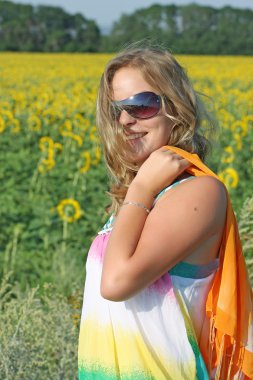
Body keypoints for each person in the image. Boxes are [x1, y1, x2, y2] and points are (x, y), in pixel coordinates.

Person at [78, 46, 253, 379]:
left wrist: (140, 189)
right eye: (117, 109)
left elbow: (116, 283)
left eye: (141, 105)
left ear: (176, 107)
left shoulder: (198, 192)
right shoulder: (143, 195)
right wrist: (140, 189)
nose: (126, 120)